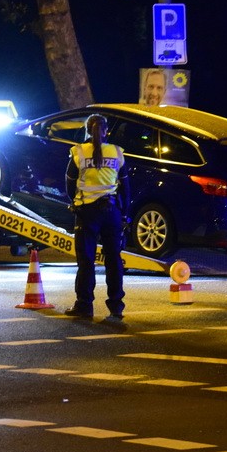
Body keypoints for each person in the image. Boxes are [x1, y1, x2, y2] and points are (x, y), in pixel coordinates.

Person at [64, 114, 131, 323]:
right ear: (106, 131)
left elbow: (69, 184)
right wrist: (125, 214)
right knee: (113, 260)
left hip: (87, 213)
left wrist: (75, 202)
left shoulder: (78, 152)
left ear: (87, 130)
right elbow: (125, 187)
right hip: (111, 213)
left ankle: (84, 305)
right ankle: (116, 307)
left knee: (86, 261)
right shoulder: (117, 152)